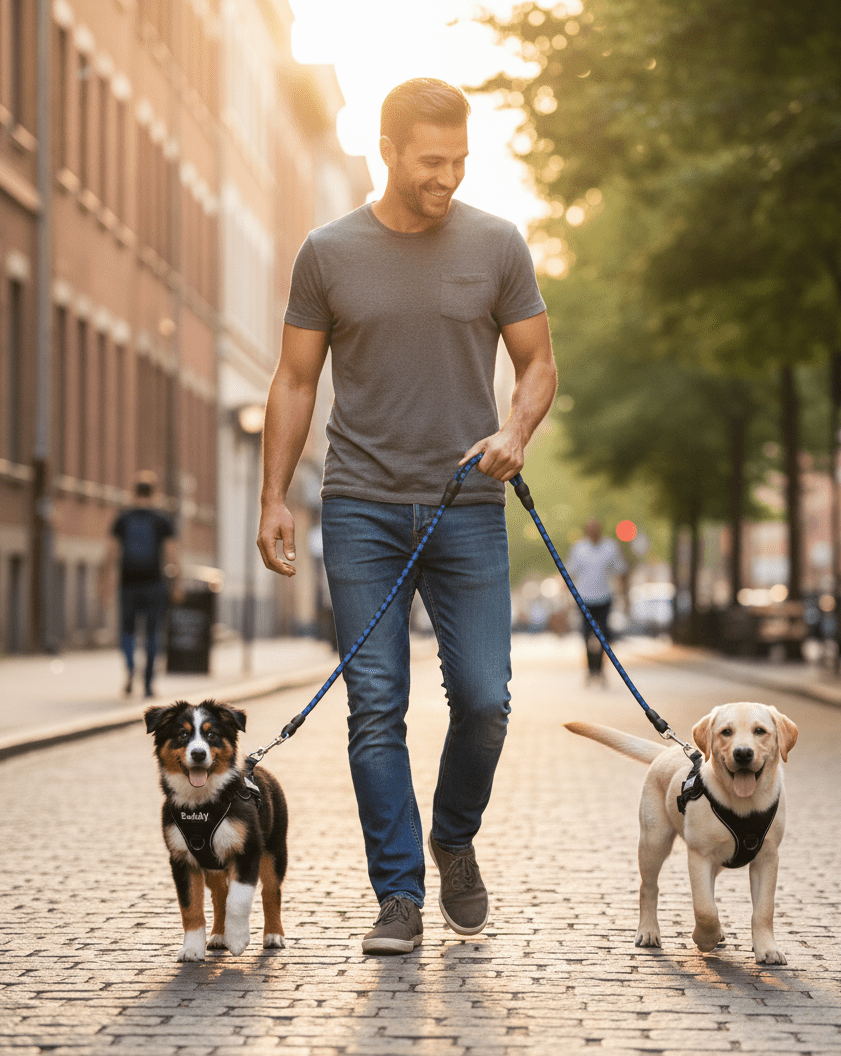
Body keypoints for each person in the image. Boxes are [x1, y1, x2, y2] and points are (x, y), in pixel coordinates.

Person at [256, 78, 557, 955]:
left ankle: (453, 835)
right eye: (432, 161)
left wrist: (516, 429)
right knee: (375, 705)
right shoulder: (328, 252)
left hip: (468, 504)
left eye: (460, 159)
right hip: (359, 509)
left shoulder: (497, 244)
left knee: (484, 700)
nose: (448, 176)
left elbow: (538, 362)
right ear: (386, 152)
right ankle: (398, 896)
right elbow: (296, 380)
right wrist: (275, 496)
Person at [102, 471, 178, 698]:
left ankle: (130, 669)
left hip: (128, 584)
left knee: (127, 631)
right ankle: (147, 683)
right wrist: (176, 584)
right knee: (153, 634)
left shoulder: (122, 519)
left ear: (133, 493)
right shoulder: (162, 520)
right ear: (154, 493)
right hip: (154, 584)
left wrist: (106, 583)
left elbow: (111, 554)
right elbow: (173, 556)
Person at [567, 519, 628, 683]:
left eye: (596, 528)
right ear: (586, 530)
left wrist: (624, 595)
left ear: (600, 530)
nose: (593, 531)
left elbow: (620, 570)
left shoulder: (611, 547)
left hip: (605, 597)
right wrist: (567, 598)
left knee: (603, 634)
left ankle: (600, 669)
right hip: (584, 598)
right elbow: (570, 572)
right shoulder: (578, 548)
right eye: (590, 528)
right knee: (586, 634)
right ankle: (590, 669)